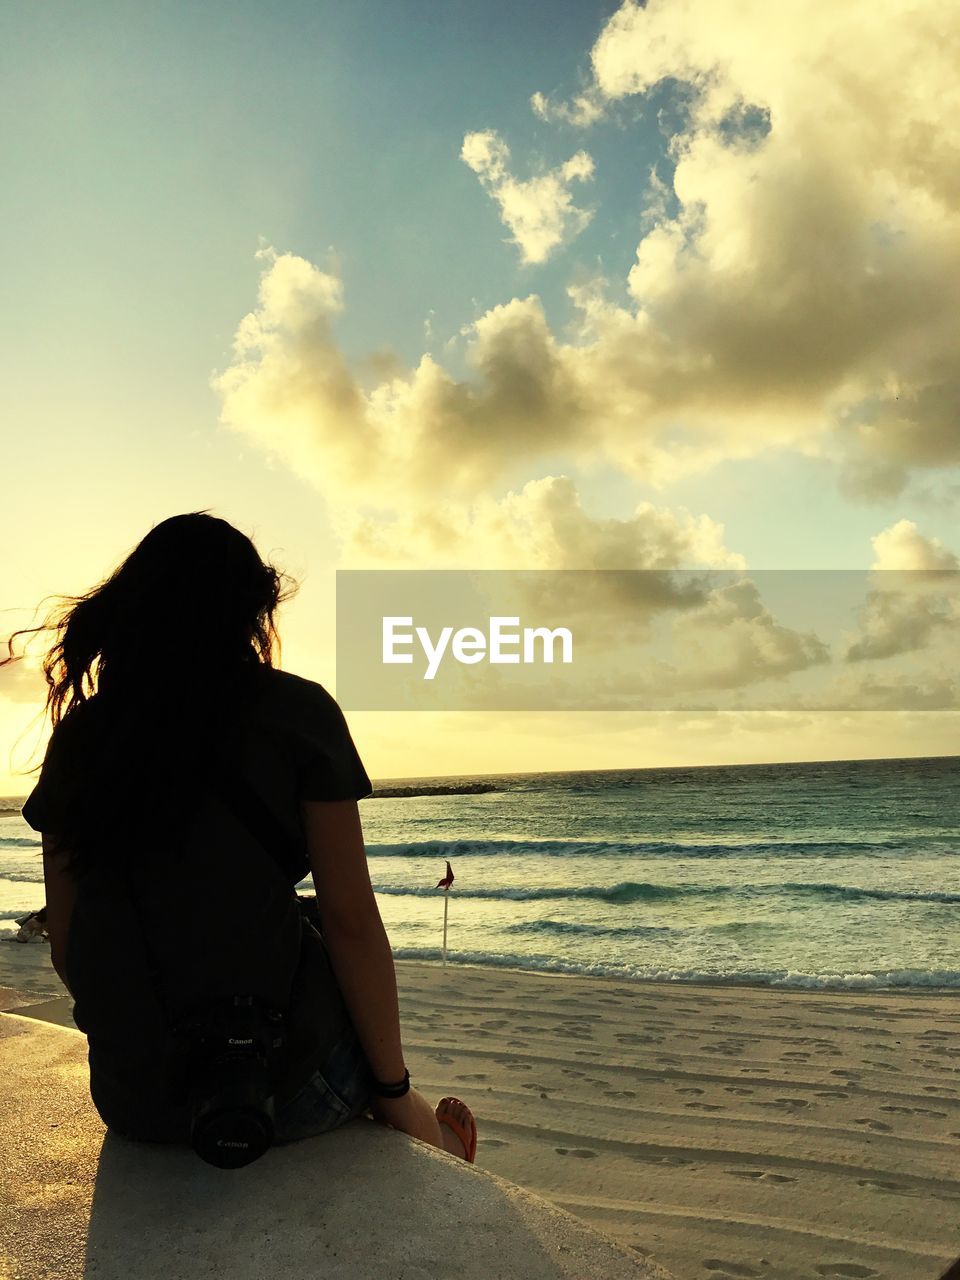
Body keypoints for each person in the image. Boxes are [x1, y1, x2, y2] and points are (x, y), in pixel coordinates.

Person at [6, 512, 477, 1163]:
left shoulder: (83, 738)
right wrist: (391, 1087)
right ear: (250, 613)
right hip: (286, 1091)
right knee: (326, 961)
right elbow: (350, 921)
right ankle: (444, 1143)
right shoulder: (298, 713)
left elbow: (69, 943)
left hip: (133, 1100)